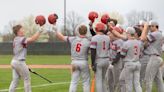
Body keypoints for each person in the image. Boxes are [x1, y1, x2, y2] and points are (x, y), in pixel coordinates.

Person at [54, 24, 91, 92]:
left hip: (74, 62)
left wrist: (55, 29)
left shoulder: (73, 39)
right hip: (83, 62)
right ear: (86, 31)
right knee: (86, 82)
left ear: (78, 31)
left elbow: (61, 37)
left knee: (74, 82)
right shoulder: (88, 41)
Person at [9, 24, 43, 92]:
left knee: (15, 80)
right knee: (27, 78)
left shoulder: (16, 39)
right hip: (19, 62)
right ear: (18, 31)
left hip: (14, 62)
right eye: (22, 29)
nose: (23, 30)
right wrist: (39, 31)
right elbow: (33, 39)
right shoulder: (21, 39)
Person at [140, 20, 164, 92]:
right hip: (156, 58)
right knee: (158, 80)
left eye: (150, 26)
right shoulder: (158, 34)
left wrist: (145, 28)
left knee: (148, 79)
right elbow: (144, 43)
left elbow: (143, 38)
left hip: (154, 58)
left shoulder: (156, 33)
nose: (149, 28)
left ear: (154, 26)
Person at [120, 27, 143, 92]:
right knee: (137, 83)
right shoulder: (139, 42)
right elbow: (141, 54)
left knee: (128, 84)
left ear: (128, 33)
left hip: (129, 64)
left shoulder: (126, 43)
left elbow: (122, 55)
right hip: (137, 63)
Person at [90, 22, 110, 92]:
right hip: (106, 59)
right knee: (103, 80)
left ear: (96, 29)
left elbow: (93, 51)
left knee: (98, 80)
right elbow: (109, 48)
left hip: (98, 60)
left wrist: (92, 63)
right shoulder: (108, 37)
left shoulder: (94, 38)